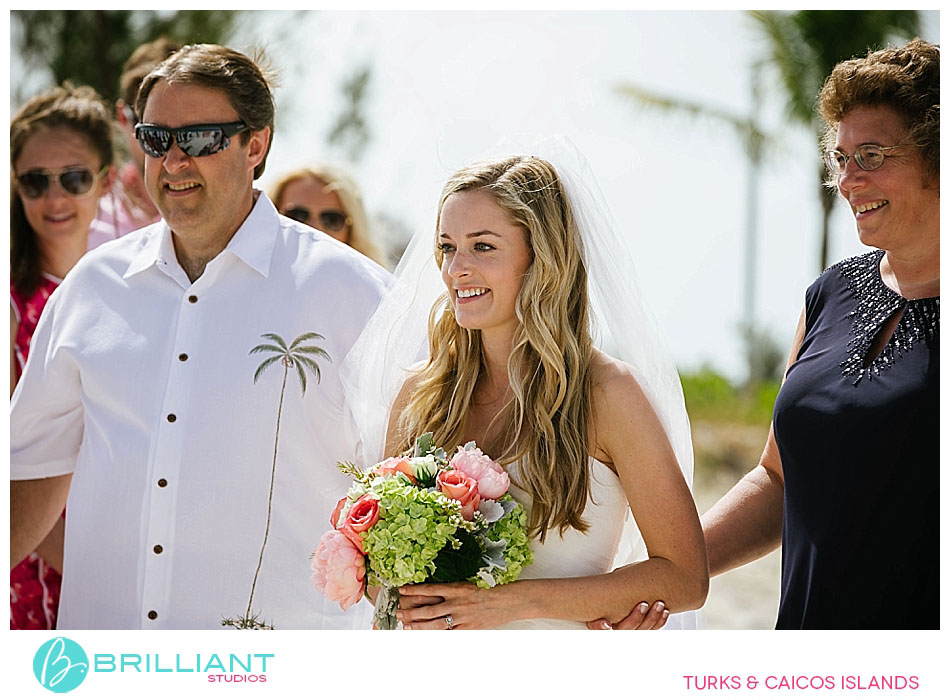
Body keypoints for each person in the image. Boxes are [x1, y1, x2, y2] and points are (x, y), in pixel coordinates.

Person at [10, 44, 390, 630]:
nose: (175, 160)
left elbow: (422, 479)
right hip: (108, 665)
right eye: (157, 138)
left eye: (201, 138)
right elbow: (26, 476)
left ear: (256, 144)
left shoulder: (354, 293)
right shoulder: (92, 288)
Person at [597, 38, 939, 631]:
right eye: (841, 159)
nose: (849, 179)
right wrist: (663, 576)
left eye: (874, 155)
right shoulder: (831, 293)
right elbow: (779, 481)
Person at [343, 145, 708, 629]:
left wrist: (511, 604)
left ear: (542, 258)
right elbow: (382, 574)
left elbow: (684, 577)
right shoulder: (421, 394)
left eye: (483, 246)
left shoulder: (607, 394)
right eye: (448, 247)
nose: (456, 270)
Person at [10, 83, 116, 629]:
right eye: (34, 182)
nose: (54, 199)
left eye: (73, 179)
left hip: (119, 551)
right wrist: (102, 579)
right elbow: (21, 467)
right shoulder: (11, 303)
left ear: (106, 180)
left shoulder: (124, 294)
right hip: (40, 568)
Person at [87, 37, 181, 249]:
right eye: (149, 128)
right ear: (122, 117)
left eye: (185, 129)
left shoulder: (219, 215)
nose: (170, 148)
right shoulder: (89, 217)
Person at [269, 164, 387, 266]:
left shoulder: (376, 290)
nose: (314, 229)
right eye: (297, 216)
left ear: (352, 232)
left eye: (332, 220)